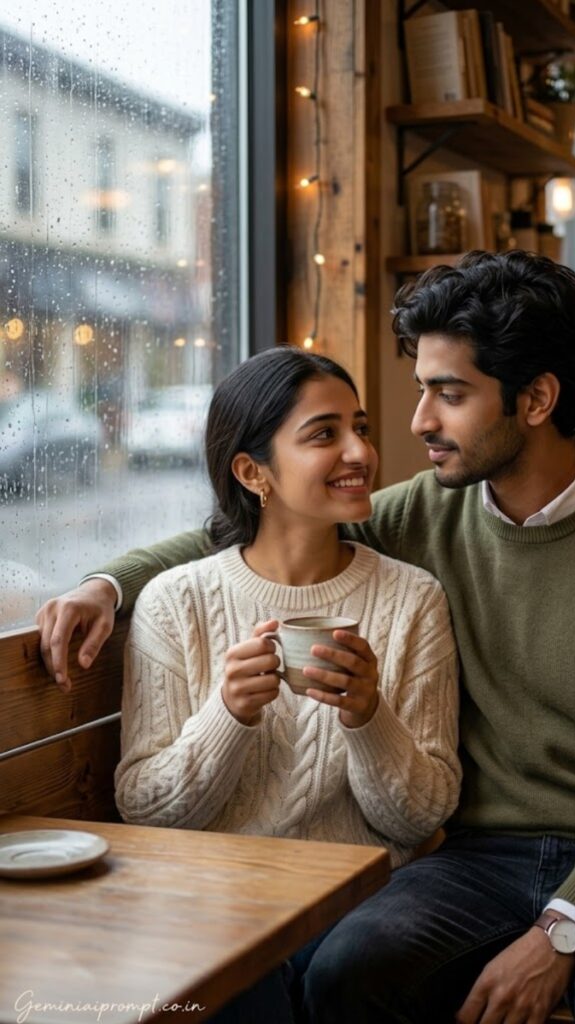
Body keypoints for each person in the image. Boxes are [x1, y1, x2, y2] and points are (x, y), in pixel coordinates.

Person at [37, 251, 575, 1024]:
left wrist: (559, 933)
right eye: (421, 391)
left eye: (450, 394)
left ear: (536, 399)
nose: (419, 423)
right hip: (479, 858)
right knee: (345, 973)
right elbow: (249, 533)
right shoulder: (430, 511)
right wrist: (106, 584)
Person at [109, 347, 461, 1019]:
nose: (360, 451)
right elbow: (144, 810)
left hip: (360, 909)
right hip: (217, 906)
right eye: (324, 434)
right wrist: (227, 716)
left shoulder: (412, 599)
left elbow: (421, 816)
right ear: (251, 471)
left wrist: (367, 717)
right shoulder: (174, 602)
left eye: (359, 427)